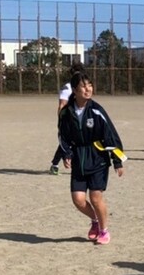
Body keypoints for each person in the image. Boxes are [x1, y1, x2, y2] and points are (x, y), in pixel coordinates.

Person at [57, 70, 126, 245]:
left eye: (90, 85)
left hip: (98, 158)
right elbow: (63, 135)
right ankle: (95, 220)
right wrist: (66, 154)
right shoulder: (66, 113)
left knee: (95, 197)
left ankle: (104, 231)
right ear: (74, 90)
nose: (88, 89)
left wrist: (117, 160)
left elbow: (111, 135)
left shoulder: (96, 110)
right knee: (78, 200)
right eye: (83, 86)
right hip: (79, 159)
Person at [48, 76, 75, 174]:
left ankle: (55, 164)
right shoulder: (67, 88)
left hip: (78, 120)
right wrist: (61, 122)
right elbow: (61, 105)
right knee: (66, 142)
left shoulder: (82, 87)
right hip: (68, 121)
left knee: (68, 143)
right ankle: (60, 162)